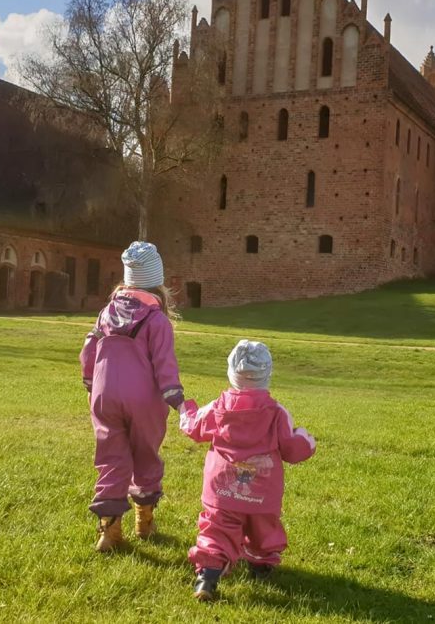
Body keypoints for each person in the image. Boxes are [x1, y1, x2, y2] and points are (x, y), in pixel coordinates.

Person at [178, 340, 316, 601]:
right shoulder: (277, 413)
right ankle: (261, 565)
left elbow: (194, 426)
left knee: (217, 530)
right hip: (262, 493)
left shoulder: (218, 407)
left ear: (231, 373)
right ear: (268, 375)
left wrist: (187, 409)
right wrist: (306, 440)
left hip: (222, 489)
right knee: (263, 528)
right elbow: (291, 449)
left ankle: (207, 576)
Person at [80, 241, 184, 552]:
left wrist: (90, 381)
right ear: (158, 282)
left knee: (111, 458)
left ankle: (109, 533)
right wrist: (177, 399)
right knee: (145, 455)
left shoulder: (106, 313)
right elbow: (164, 365)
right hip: (144, 401)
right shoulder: (157, 321)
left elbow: (89, 348)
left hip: (104, 394)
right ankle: (144, 522)